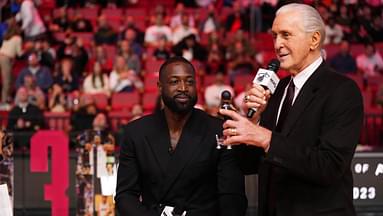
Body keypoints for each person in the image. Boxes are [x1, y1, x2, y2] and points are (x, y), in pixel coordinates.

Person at [219, 3, 363, 216]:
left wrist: (266, 138)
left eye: (286, 35)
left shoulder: (342, 90)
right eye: (275, 35)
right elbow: (249, 164)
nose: (277, 44)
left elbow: (329, 167)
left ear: (314, 40)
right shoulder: (278, 90)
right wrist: (253, 123)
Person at [115, 57, 247, 216]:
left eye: (190, 82)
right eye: (174, 82)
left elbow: (232, 198)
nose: (183, 88)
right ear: (160, 86)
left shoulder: (220, 130)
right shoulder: (136, 132)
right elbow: (125, 196)